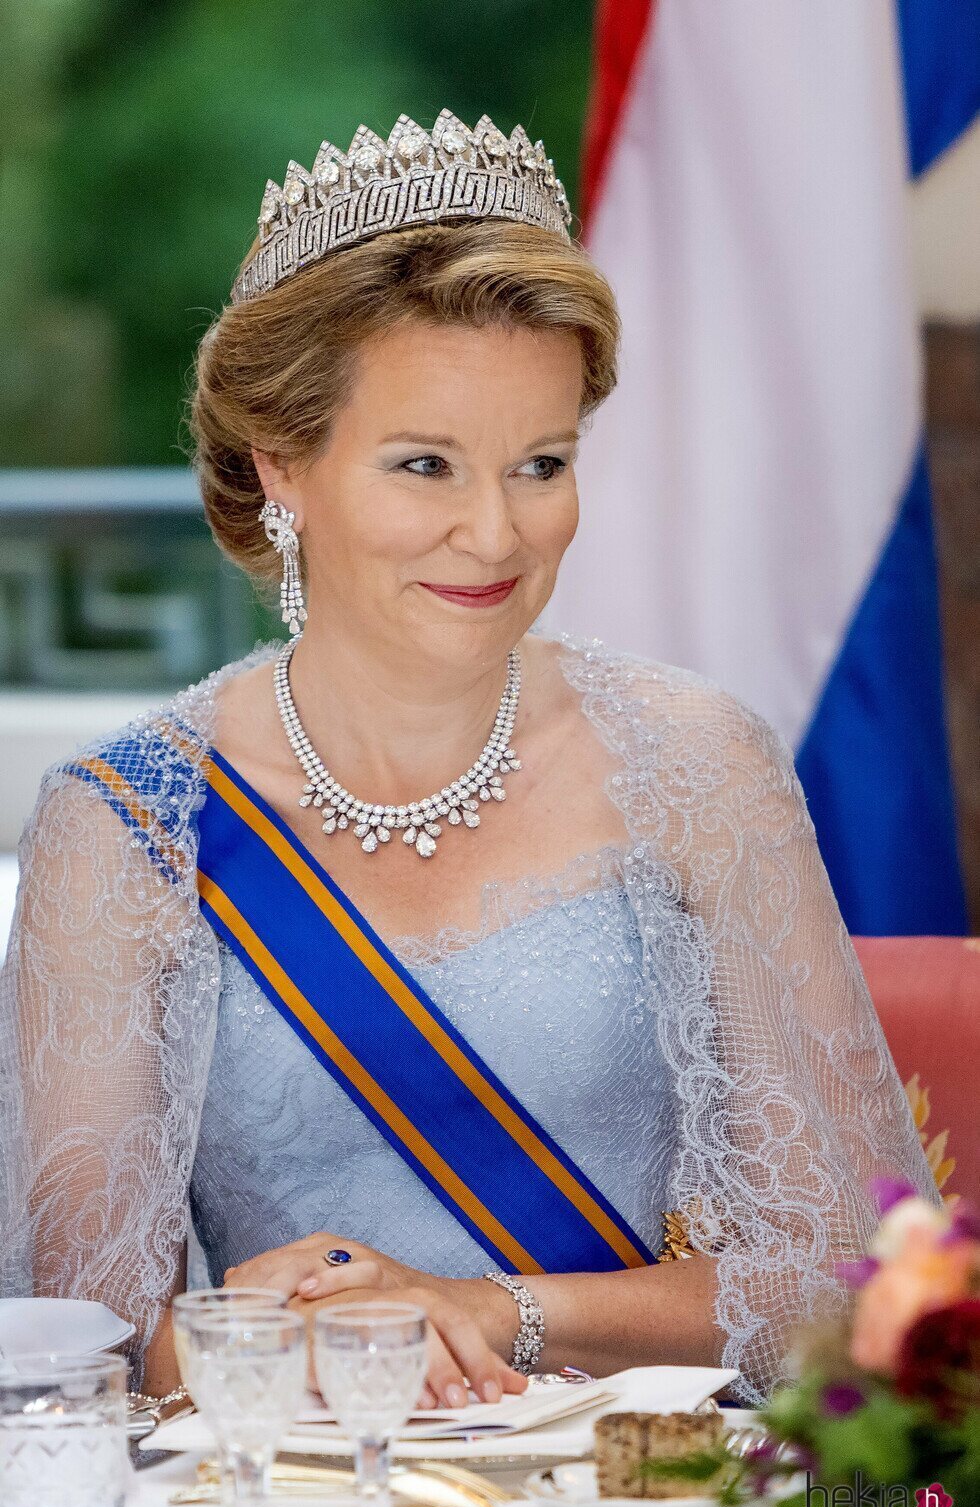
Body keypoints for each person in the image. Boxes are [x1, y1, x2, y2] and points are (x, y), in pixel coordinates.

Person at [0, 110, 937, 1408]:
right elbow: (78, 1353)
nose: (496, 533)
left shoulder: (696, 762)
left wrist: (493, 1310)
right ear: (284, 463)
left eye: (541, 464)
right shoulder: (121, 829)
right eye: (425, 464)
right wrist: (271, 1336)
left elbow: (864, 1296)